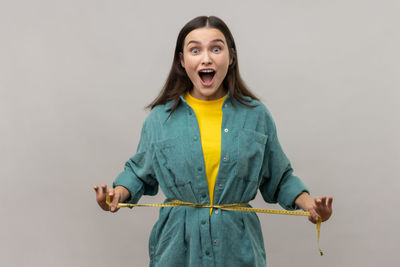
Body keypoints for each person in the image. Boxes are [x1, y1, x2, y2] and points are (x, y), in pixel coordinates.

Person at [93, 16, 333, 266]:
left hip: (238, 248)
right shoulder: (159, 119)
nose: (206, 58)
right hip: (176, 249)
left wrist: (310, 206)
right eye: (195, 50)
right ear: (182, 61)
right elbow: (140, 173)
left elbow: (280, 177)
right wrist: (117, 194)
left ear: (231, 57)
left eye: (216, 48)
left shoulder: (256, 116)